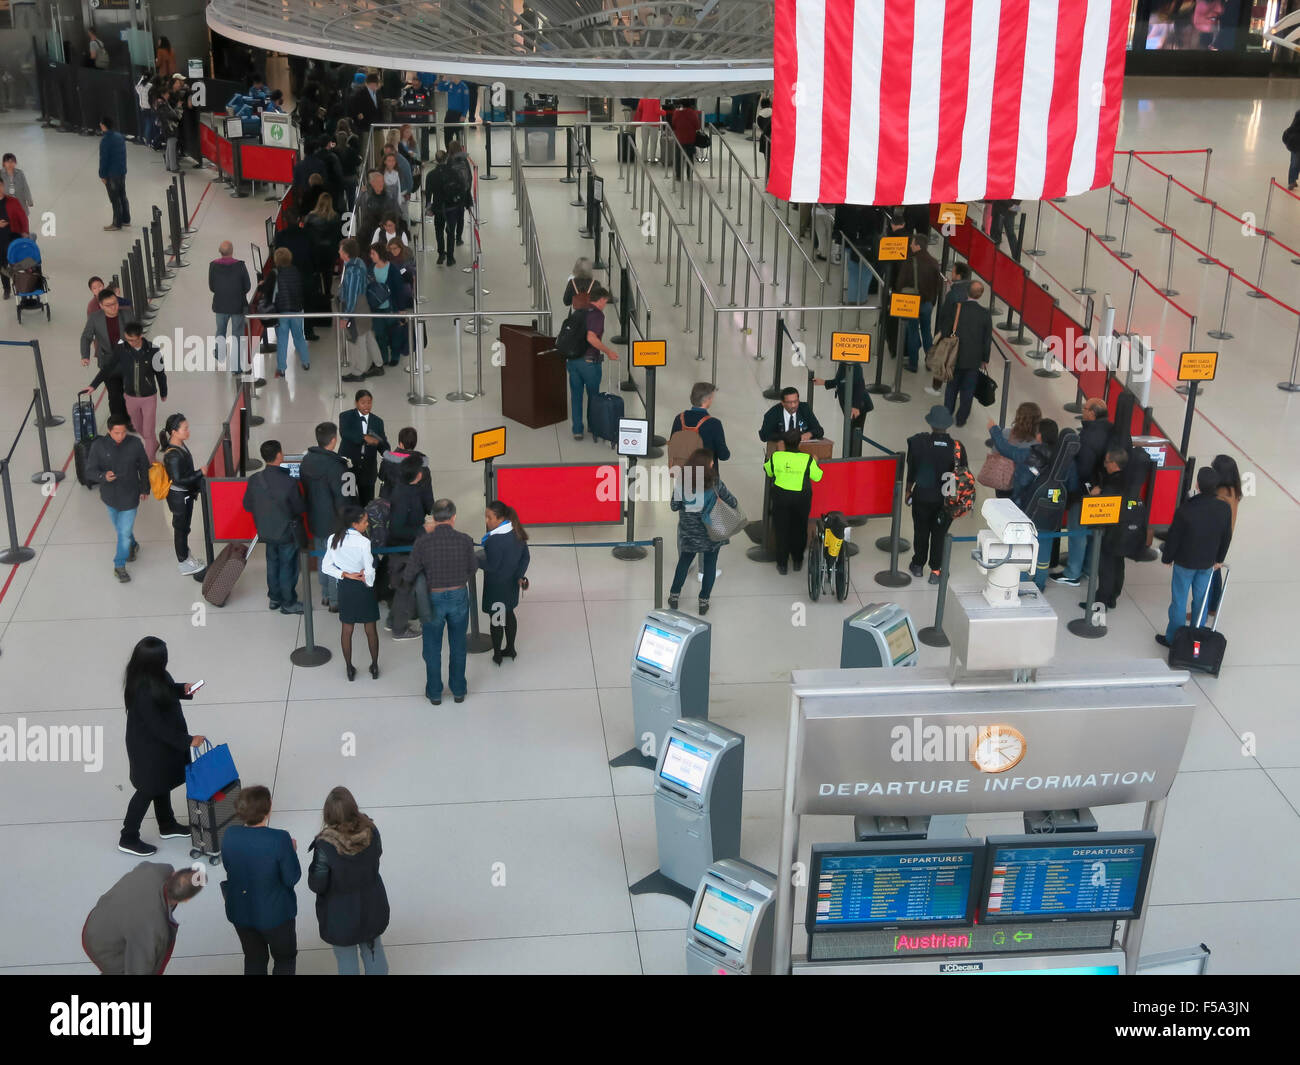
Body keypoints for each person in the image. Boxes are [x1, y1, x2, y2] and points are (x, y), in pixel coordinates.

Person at [118, 636, 204, 854]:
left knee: (161, 784)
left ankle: (167, 824)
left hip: (159, 748)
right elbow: (158, 728)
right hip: (149, 750)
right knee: (147, 790)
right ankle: (128, 837)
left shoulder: (151, 675)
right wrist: (188, 740)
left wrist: (182, 689)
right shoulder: (142, 691)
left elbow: (165, 690)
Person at [308, 786, 390, 975]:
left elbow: (317, 884)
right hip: (372, 906)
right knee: (374, 951)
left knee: (346, 961)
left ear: (328, 815)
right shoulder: (371, 831)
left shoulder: (325, 846)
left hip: (340, 916)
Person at [220, 785, 301, 976]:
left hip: (241, 912)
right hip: (276, 916)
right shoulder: (280, 839)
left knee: (254, 959)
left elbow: (229, 867)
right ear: (269, 807)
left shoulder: (230, 834)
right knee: (285, 959)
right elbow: (291, 878)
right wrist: (292, 852)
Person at [409, 498, 477, 704]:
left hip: (433, 598)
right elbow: (472, 568)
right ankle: (458, 690)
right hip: (458, 597)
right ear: (454, 517)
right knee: (458, 646)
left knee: (432, 648)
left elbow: (410, 573)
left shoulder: (423, 542)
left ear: (433, 518)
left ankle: (435, 692)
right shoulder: (465, 540)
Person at [1157, 466, 1232, 648]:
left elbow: (1174, 537)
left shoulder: (1186, 509)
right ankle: (1195, 637)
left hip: (1185, 562)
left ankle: (1173, 638)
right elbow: (1226, 535)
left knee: (1179, 600)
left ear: (1197, 485)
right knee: (1201, 599)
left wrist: (1167, 558)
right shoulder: (1224, 508)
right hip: (1207, 563)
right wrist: (1219, 559)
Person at [82, 864, 203, 974]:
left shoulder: (152, 869)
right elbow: (139, 969)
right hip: (101, 948)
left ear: (174, 874)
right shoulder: (154, 928)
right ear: (186, 900)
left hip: (97, 921)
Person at [1052, 397, 1112, 586]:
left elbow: (1084, 468)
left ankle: (1072, 573)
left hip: (1084, 492)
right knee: (1094, 533)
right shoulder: (1112, 431)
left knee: (1077, 532)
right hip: (1103, 491)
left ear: (1092, 414)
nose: (1083, 411)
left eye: (1085, 409)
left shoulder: (1087, 437)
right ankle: (1088, 569)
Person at [243, 440, 308, 614]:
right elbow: (300, 508)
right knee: (288, 566)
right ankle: (288, 602)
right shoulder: (289, 482)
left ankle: (274, 598)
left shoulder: (255, 479)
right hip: (286, 533)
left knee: (272, 563)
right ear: (280, 455)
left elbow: (247, 505)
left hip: (266, 532)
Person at [667, 449, 735, 616]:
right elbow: (732, 501)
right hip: (711, 533)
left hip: (689, 533)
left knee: (684, 562)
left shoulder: (682, 483)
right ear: (708, 465)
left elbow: (674, 506)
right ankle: (703, 601)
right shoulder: (715, 482)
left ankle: (674, 596)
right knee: (710, 565)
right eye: (711, 462)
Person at [86, 322, 166, 463]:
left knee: (147, 431)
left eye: (134, 340)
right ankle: (154, 444)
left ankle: (150, 462)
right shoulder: (122, 349)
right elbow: (108, 368)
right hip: (130, 396)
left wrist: (163, 391)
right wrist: (93, 385)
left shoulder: (154, 351)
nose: (131, 343)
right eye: (128, 339)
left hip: (149, 397)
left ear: (141, 336)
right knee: (137, 427)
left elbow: (160, 373)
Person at [84, 416, 150, 583]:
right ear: (108, 431)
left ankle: (119, 566)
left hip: (130, 495)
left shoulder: (135, 444)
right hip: (110, 497)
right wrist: (103, 476)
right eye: (116, 433)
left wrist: (144, 489)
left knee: (123, 532)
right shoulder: (98, 446)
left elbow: (143, 466)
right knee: (123, 531)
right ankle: (132, 545)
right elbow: (89, 471)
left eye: (123, 432)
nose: (120, 436)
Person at [322, 506, 381, 680]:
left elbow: (326, 566)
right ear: (355, 524)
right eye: (364, 521)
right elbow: (369, 570)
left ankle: (349, 668)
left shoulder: (333, 538)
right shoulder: (364, 542)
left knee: (347, 629)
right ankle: (375, 666)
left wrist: (345, 574)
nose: (367, 524)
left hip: (346, 587)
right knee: (370, 629)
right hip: (363, 589)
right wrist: (367, 580)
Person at [301, 421, 352, 612]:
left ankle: (324, 595)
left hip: (314, 519)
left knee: (323, 557)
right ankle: (335, 600)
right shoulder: (337, 466)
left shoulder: (306, 461)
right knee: (336, 561)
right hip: (334, 522)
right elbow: (343, 498)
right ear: (333, 440)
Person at [906, 405, 958, 584]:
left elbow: (912, 468)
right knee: (939, 534)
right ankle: (936, 572)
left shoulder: (920, 443)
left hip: (922, 496)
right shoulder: (956, 448)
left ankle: (918, 565)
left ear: (931, 424)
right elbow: (962, 475)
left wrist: (908, 489)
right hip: (945, 501)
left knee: (921, 530)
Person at [764, 429, 824, 575]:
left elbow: (769, 471)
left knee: (781, 529)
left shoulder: (777, 456)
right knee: (800, 527)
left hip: (780, 497)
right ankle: (797, 560)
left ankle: (782, 564)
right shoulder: (807, 459)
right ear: (800, 442)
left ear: (783, 443)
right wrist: (816, 461)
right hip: (801, 498)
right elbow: (817, 477)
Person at [567, 284, 620, 441]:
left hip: (573, 360)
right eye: (605, 301)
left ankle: (577, 429)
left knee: (576, 396)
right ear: (602, 300)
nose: (605, 305)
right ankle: (592, 426)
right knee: (593, 396)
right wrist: (608, 351)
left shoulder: (579, 312)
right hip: (589, 362)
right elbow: (591, 337)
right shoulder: (597, 315)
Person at [937, 279, 992, 427]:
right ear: (980, 295)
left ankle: (947, 415)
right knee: (968, 391)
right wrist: (985, 358)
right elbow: (987, 339)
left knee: (951, 388)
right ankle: (961, 419)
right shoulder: (985, 314)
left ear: (967, 292)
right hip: (973, 360)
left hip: (955, 357)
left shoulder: (957, 308)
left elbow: (947, 330)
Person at [481, 500, 530, 664]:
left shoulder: (494, 541)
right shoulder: (517, 532)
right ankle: (511, 648)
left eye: (489, 517)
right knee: (508, 614)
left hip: (497, 588)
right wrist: (519, 576)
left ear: (500, 519)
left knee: (496, 621)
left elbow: (492, 566)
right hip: (511, 585)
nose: (486, 521)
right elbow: (525, 557)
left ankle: (497, 654)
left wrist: (473, 560)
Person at [159, 414, 206, 576]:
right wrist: (201, 473)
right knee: (181, 529)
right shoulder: (172, 455)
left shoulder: (180, 445)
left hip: (185, 495)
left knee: (184, 528)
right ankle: (183, 562)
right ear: (174, 432)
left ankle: (186, 556)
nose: (188, 431)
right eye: (185, 429)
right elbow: (179, 480)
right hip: (179, 498)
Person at [81, 289, 136, 426]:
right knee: (114, 395)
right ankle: (118, 423)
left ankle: (132, 420)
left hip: (127, 359)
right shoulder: (95, 318)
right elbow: (86, 337)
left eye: (115, 303)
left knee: (131, 393)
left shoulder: (127, 314)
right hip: (107, 362)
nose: (114, 307)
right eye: (109, 305)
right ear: (101, 305)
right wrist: (85, 356)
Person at [338, 238, 383, 380]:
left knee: (359, 339)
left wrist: (345, 317)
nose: (338, 251)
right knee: (368, 335)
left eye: (340, 249)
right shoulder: (359, 262)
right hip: (363, 304)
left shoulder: (352, 271)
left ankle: (359, 372)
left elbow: (351, 296)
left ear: (346, 253)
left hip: (356, 306)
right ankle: (378, 364)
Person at [926, 262, 973, 395]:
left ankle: (936, 388)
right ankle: (957, 389)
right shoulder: (968, 289)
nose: (951, 274)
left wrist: (942, 333)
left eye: (953, 272)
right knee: (956, 361)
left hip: (950, 331)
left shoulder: (953, 295)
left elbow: (945, 315)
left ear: (958, 275)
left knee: (942, 358)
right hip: (964, 332)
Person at [1094, 449, 1131, 609]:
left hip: (1111, 531)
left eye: (1106, 462)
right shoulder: (1129, 479)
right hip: (1125, 529)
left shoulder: (1112, 484)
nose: (1105, 465)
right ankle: (1113, 597)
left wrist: (1096, 495)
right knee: (1118, 564)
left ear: (1114, 464)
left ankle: (1101, 601)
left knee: (1106, 566)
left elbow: (1105, 507)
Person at [1206, 454, 1242, 622]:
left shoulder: (1220, 496)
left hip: (1214, 539)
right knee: (1215, 571)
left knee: (1206, 576)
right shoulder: (1234, 490)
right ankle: (1214, 605)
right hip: (1223, 538)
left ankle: (1203, 609)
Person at [339, 390, 389, 506]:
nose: (367, 406)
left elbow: (382, 443)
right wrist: (364, 437)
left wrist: (386, 450)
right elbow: (345, 433)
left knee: (367, 504)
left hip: (368, 470)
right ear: (356, 403)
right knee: (349, 502)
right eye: (363, 403)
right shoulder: (345, 416)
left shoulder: (378, 422)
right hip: (349, 470)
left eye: (369, 402)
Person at [210, 241, 252, 375]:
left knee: (220, 330)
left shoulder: (213, 265)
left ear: (220, 251)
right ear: (232, 250)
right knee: (237, 335)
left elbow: (212, 287)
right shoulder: (240, 266)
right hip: (237, 306)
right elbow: (247, 286)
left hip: (220, 305)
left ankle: (220, 355)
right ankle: (236, 368)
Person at [903, 234, 943, 373]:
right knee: (927, 331)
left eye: (912, 243)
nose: (910, 245)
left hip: (912, 302)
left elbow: (902, 282)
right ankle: (929, 361)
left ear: (918, 246)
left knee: (913, 331)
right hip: (927, 304)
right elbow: (938, 285)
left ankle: (913, 364)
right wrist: (932, 302)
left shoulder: (910, 261)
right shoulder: (933, 262)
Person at [812, 362, 871, 456]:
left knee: (855, 436)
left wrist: (856, 406)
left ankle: (854, 459)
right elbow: (840, 381)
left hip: (858, 407)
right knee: (851, 433)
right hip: (850, 406)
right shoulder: (843, 363)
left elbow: (860, 385)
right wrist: (824, 382)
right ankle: (851, 458)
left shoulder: (854, 364)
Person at [987, 401, 1041, 500]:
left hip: (1003, 481)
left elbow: (995, 452)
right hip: (1025, 485)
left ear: (1018, 417)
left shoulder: (1006, 434)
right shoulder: (1038, 443)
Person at [270, 246, 310, 376]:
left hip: (282, 312)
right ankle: (305, 361)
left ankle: (281, 368)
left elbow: (273, 294)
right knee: (299, 336)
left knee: (282, 340)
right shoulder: (296, 271)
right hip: (297, 310)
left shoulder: (275, 274)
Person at [368, 242, 407, 368]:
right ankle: (383, 358)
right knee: (380, 335)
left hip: (391, 308)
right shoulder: (371, 268)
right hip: (376, 309)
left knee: (394, 333)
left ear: (380, 254)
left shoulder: (393, 269)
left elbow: (399, 290)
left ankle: (395, 356)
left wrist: (401, 309)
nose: (371, 256)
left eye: (373, 253)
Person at [669, 382, 731, 462]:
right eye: (712, 398)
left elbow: (673, 446)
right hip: (706, 472)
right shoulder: (714, 424)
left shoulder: (679, 418)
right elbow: (723, 456)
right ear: (708, 400)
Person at [423, 149, 456, 265]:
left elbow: (428, 193)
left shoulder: (431, 175)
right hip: (451, 206)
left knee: (439, 231)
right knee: (451, 232)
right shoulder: (453, 172)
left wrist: (428, 207)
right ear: (446, 159)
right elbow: (459, 188)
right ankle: (451, 257)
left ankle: (441, 254)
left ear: (436, 160)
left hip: (437, 206)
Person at [759, 386, 824, 443]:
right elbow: (764, 435)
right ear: (782, 402)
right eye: (789, 402)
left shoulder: (804, 409)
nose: (793, 405)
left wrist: (810, 433)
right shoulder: (773, 413)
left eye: (796, 401)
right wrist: (785, 437)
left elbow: (819, 430)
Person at [354, 170, 399, 251]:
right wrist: (361, 193)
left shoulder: (389, 194)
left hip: (384, 227)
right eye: (378, 181)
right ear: (372, 183)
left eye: (382, 181)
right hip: (368, 228)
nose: (381, 184)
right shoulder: (365, 194)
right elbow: (356, 206)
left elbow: (395, 211)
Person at [98, 116, 130, 231]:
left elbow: (104, 159)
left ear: (103, 125)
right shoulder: (119, 137)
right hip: (121, 171)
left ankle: (117, 223)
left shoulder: (106, 141)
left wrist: (102, 175)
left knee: (114, 199)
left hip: (112, 174)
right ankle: (126, 219)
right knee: (122, 195)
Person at [0, 184, 29, 301]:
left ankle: (21, 287)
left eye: (0, 186)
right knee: (2, 266)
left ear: (3, 186)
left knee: (19, 264)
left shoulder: (13, 201)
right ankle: (7, 289)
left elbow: (23, 217)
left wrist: (25, 232)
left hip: (13, 237)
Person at [446, 141, 474, 247]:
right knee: (460, 216)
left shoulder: (449, 160)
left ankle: (451, 235)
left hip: (452, 193)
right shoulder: (464, 159)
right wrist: (467, 190)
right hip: (463, 192)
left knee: (451, 215)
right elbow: (469, 176)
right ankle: (459, 238)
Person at [435, 75, 472, 149]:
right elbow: (439, 89)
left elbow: (467, 103)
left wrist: (464, 115)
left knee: (459, 135)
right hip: (450, 113)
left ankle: (459, 152)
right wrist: (443, 80)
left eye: (452, 76)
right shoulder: (449, 84)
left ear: (456, 76)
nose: (450, 77)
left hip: (459, 114)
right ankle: (449, 152)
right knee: (447, 134)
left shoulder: (463, 87)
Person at [669, 97, 702, 180]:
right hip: (690, 138)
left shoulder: (676, 112)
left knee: (678, 157)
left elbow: (673, 124)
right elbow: (697, 126)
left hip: (679, 138)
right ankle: (689, 176)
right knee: (690, 157)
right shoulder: (693, 113)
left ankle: (678, 176)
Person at [633, 97, 663, 162]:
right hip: (654, 123)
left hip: (644, 122)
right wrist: (664, 112)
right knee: (653, 142)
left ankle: (644, 158)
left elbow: (640, 108)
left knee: (644, 142)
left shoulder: (643, 98)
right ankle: (652, 159)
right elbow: (657, 111)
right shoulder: (656, 99)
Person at [755, 97, 773, 177]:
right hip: (773, 139)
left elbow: (760, 127)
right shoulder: (774, 113)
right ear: (769, 104)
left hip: (764, 139)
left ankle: (768, 177)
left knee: (767, 160)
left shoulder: (759, 116)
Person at [1286, 109, 1300, 190]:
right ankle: (1292, 181)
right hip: (1296, 144)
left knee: (1295, 163)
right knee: (1295, 163)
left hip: (1294, 144)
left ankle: (1293, 180)